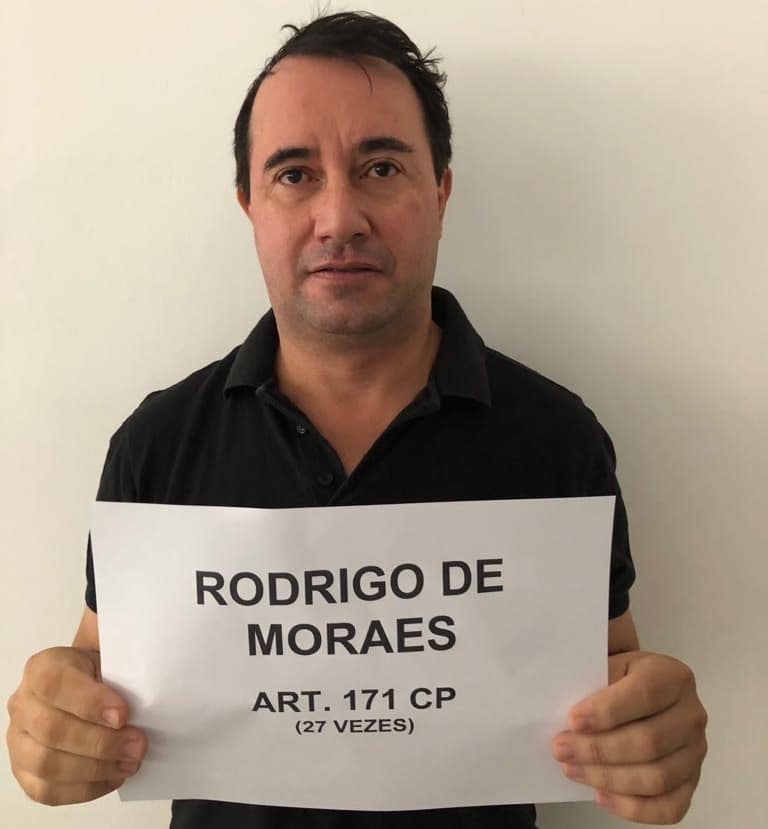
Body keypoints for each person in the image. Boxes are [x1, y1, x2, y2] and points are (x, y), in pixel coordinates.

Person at [6, 11, 707, 829]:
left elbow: (613, 672)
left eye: (380, 167)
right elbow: (95, 670)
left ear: (440, 191)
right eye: (294, 174)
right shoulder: (158, 444)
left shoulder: (556, 438)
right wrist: (56, 727)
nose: (339, 218)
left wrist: (650, 738)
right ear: (249, 205)